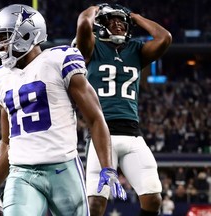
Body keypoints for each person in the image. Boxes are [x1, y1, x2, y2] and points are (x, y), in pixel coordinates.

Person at [0, 4, 127, 216]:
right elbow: (7, 142)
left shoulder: (59, 59)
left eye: (5, 36)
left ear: (28, 34)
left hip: (63, 169)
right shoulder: (0, 78)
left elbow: (95, 118)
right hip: (21, 173)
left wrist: (107, 166)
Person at [74, 3, 172, 216]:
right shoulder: (92, 47)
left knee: (153, 198)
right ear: (101, 25)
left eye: (123, 22)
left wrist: (136, 17)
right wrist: (95, 9)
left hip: (132, 135)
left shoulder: (135, 50)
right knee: (95, 205)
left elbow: (164, 38)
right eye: (113, 21)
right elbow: (83, 22)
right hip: (102, 135)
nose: (119, 25)